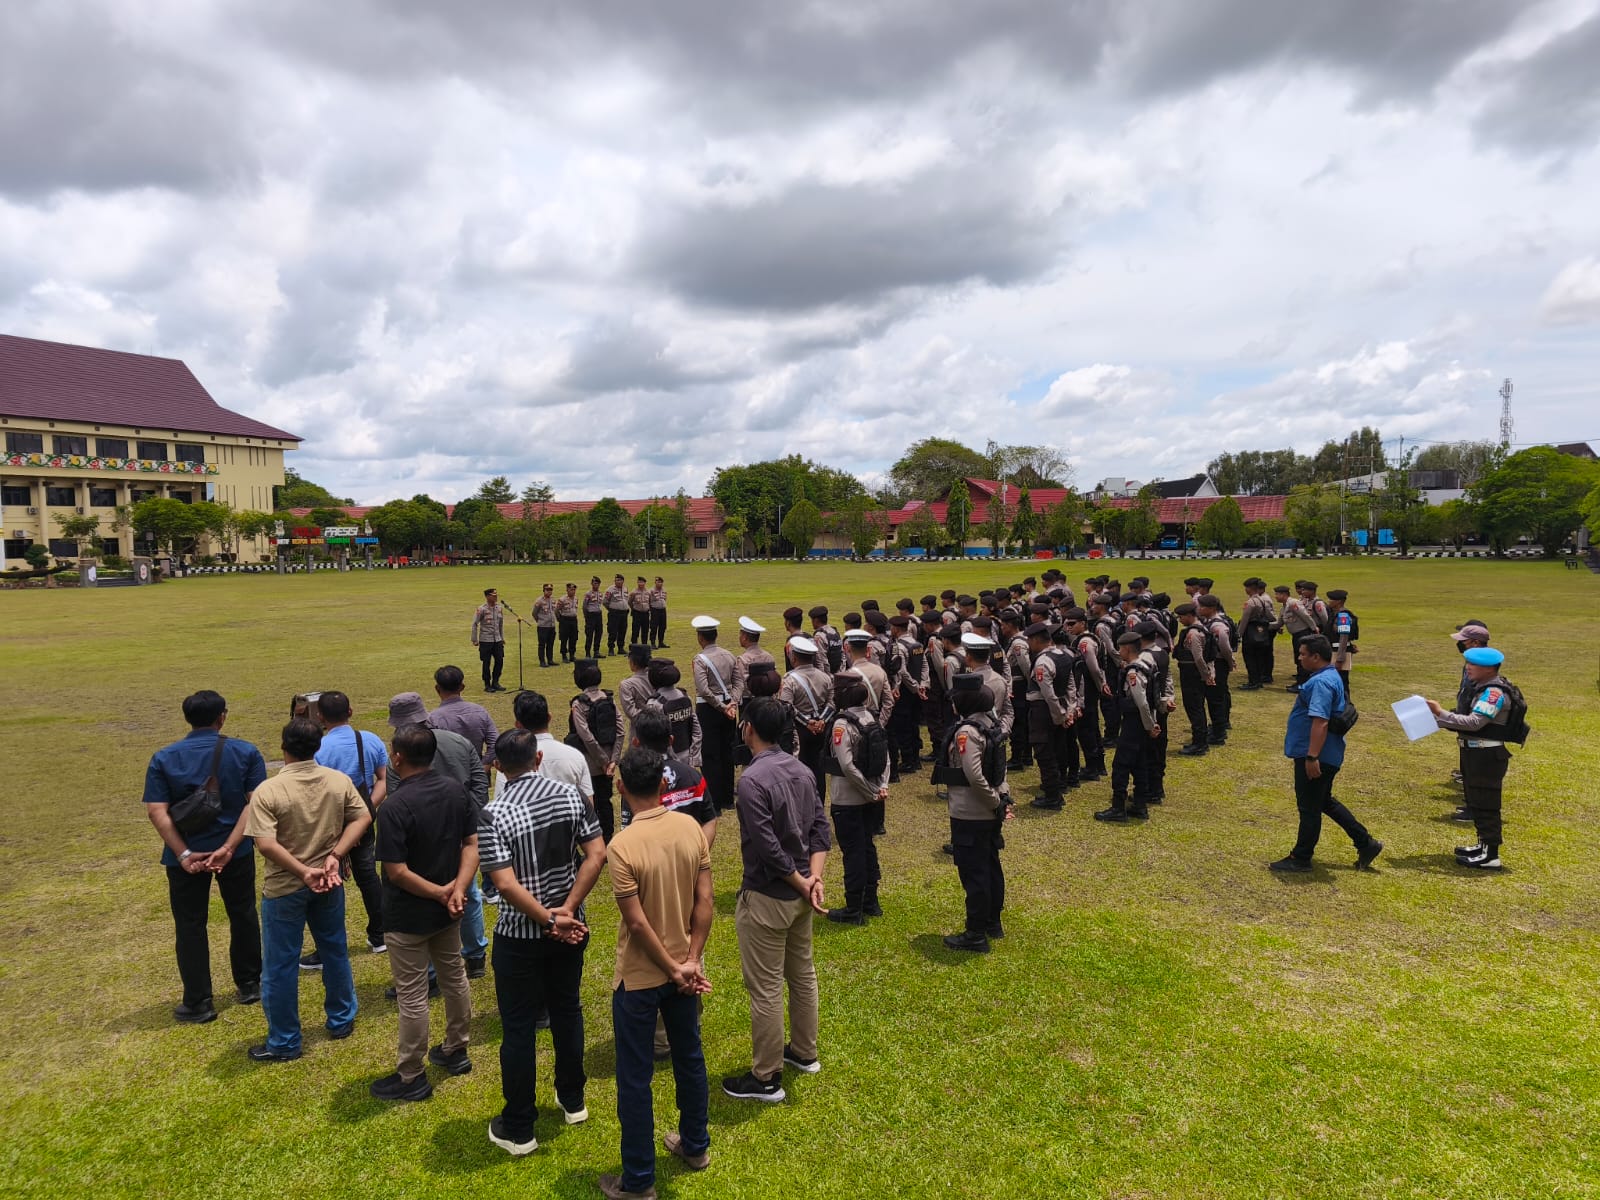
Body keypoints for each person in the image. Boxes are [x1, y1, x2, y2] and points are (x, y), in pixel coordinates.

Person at [479, 729, 606, 1155]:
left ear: (498, 767)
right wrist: (566, 911)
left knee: (518, 1028)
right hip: (570, 928)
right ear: (537, 759)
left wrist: (549, 918)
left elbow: (504, 883)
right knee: (567, 1009)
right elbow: (596, 854)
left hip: (520, 934)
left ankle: (519, 1126)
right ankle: (573, 1099)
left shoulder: (494, 813)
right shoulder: (571, 796)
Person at [601, 748, 714, 1200]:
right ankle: (695, 1145)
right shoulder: (689, 827)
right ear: (665, 785)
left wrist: (671, 967)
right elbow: (703, 902)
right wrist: (690, 960)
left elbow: (636, 923)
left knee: (635, 1077)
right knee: (689, 1057)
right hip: (687, 968)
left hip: (642, 977)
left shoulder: (622, 845)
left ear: (621, 787)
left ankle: (639, 1180)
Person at [723, 697, 831, 1102]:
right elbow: (821, 829)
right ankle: (804, 1051)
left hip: (770, 894)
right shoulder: (801, 770)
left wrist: (805, 882)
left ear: (748, 728)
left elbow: (768, 848)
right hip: (801, 893)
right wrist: (812, 880)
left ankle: (766, 1076)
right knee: (802, 974)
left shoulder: (752, 780)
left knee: (766, 986)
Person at [244, 718, 370, 1061]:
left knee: (280, 965)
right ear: (317, 747)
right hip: (329, 881)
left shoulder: (268, 790)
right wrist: (335, 856)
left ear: (283, 747)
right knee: (335, 950)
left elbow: (266, 844)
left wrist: (303, 871)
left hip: (285, 887)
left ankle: (285, 1041)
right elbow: (362, 818)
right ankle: (341, 1019)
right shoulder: (337, 780)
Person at [142, 690, 267, 1025]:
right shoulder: (244, 751)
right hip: (235, 849)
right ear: (222, 716)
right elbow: (254, 803)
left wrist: (182, 852)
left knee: (190, 925)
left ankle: (198, 1001)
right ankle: (251, 983)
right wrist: (228, 846)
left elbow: (157, 810)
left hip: (185, 854)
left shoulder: (164, 758)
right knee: (242, 914)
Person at [371, 723, 479, 1101]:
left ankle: (411, 1075)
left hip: (410, 916)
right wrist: (457, 890)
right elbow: (472, 845)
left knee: (413, 995)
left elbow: (396, 872)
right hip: (449, 908)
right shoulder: (454, 790)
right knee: (455, 977)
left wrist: (441, 893)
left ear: (397, 758)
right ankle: (456, 1048)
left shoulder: (394, 807)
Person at [385, 692, 490, 982]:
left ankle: (430, 970)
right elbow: (480, 782)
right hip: (462, 829)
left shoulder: (399, 752)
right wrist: (470, 817)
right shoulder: (458, 741)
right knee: (466, 890)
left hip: (421, 838)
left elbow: (397, 796)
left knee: (429, 894)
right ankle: (476, 954)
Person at [1269, 636, 1382, 872]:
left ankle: (1301, 857)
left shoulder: (1321, 683)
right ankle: (1365, 843)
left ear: (1316, 657)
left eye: (1302, 654)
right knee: (1323, 801)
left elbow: (1320, 721)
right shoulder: (1330, 676)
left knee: (1309, 807)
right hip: (1326, 751)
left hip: (1317, 754)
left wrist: (1311, 757)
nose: (1299, 658)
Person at [302, 691, 389, 967]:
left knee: (329, 879)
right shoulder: (370, 740)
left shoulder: (318, 749)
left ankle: (328, 946)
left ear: (320, 716)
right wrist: (366, 812)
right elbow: (383, 780)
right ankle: (380, 933)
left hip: (329, 823)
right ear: (350, 711)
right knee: (368, 876)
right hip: (364, 818)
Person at [1426, 646, 1523, 870]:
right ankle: (1483, 846)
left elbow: (1474, 723)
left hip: (1486, 755)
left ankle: (1491, 856)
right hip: (1475, 752)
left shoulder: (1494, 693)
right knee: (1476, 802)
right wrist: (1436, 720)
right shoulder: (1481, 688)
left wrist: (1440, 713)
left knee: (1487, 803)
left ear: (1489, 668)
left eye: (1473, 664)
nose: (1468, 668)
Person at [938, 675, 1006, 953]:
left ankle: (975, 933)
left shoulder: (967, 732)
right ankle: (992, 922)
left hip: (971, 812)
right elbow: (999, 769)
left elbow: (975, 776)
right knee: (990, 866)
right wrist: (1001, 799)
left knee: (973, 873)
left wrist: (993, 801)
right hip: (988, 811)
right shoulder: (991, 724)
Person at [822, 672, 887, 924]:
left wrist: (868, 790)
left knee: (853, 852)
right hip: (870, 795)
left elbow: (847, 766)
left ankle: (853, 907)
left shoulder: (842, 724)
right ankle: (871, 901)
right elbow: (885, 756)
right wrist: (878, 787)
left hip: (848, 798)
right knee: (868, 847)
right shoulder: (871, 717)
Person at [1094, 633, 1158, 824]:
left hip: (1134, 723)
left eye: (1120, 648)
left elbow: (1142, 702)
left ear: (1127, 649)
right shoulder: (1147, 663)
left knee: (1121, 765)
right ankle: (1139, 804)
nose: (1118, 651)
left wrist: (1150, 726)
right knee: (1139, 764)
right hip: (1139, 723)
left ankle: (1118, 807)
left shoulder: (1133, 672)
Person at [569, 659, 625, 842]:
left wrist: (602, 761)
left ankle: (594, 840)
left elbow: (586, 737)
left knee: (589, 802)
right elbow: (620, 731)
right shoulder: (608, 699)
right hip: (608, 761)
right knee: (605, 800)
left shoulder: (579, 704)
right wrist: (612, 760)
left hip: (589, 762)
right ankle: (608, 837)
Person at [1024, 622, 1076, 811]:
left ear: (1037, 640)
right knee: (1058, 749)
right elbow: (1071, 686)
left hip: (1044, 711)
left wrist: (1059, 716)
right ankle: (1057, 787)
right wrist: (1069, 710)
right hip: (1059, 708)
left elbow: (1048, 694)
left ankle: (1052, 795)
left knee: (1044, 752)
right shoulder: (1063, 655)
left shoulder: (1043, 661)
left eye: (1030, 641)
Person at [690, 615, 738, 812]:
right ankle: (727, 798)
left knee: (710, 755)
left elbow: (703, 690)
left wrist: (720, 706)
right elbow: (739, 682)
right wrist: (731, 703)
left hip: (710, 710)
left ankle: (715, 802)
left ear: (701, 638)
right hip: (730, 708)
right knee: (727, 752)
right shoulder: (730, 655)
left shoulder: (700, 659)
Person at [779, 635, 835, 803]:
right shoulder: (826, 677)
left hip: (800, 730)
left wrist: (806, 722)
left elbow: (786, 706)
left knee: (800, 768)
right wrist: (822, 721)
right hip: (821, 728)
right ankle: (819, 802)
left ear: (794, 657)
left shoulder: (789, 680)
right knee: (819, 769)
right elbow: (832, 703)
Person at [428, 665, 498, 765]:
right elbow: (495, 743)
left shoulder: (433, 718)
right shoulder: (480, 711)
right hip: (477, 769)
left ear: (437, 688)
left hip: (448, 773)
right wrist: (483, 766)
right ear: (462, 687)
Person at [1172, 602, 1213, 756]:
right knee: (1196, 707)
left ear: (1190, 616)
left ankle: (1199, 744)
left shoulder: (1193, 634)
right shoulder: (1199, 629)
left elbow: (1199, 658)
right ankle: (1199, 741)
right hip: (1193, 674)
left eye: (1181, 617)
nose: (1180, 620)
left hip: (1192, 675)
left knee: (1194, 708)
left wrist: (1205, 676)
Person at [1196, 594, 1235, 746]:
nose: (1199, 609)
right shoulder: (1210, 622)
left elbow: (1225, 647)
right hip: (1216, 662)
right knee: (1216, 696)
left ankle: (1219, 733)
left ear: (1211, 608)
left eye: (1202, 607)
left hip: (1218, 662)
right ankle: (1219, 726)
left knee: (1215, 698)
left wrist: (1229, 661)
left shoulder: (1218, 626)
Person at [472, 587, 508, 692]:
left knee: (499, 661)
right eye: (493, 595)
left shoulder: (499, 608)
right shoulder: (482, 609)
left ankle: (496, 682)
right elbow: (474, 624)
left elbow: (500, 624)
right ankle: (487, 684)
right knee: (486, 663)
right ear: (487, 597)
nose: (496, 596)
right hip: (485, 640)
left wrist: (502, 638)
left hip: (497, 640)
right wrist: (474, 639)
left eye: (496, 594)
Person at [1325, 589, 1358, 697]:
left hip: (1338, 652)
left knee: (1341, 681)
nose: (1329, 601)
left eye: (1331, 599)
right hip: (1333, 650)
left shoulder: (1343, 616)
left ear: (1338, 602)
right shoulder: (1335, 614)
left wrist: (1340, 659)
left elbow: (1344, 637)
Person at [604, 574, 631, 657]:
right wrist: (612, 609)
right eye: (616, 580)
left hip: (624, 613)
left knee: (622, 630)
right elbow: (605, 601)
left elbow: (626, 600)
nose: (618, 582)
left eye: (620, 580)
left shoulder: (625, 589)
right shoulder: (610, 589)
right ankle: (611, 649)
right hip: (614, 613)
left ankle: (620, 648)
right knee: (613, 631)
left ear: (623, 581)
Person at [533, 582, 558, 670]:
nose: (549, 591)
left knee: (550, 644)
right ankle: (542, 661)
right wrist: (539, 621)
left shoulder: (553, 600)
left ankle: (550, 659)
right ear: (544, 590)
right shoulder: (539, 601)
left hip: (551, 625)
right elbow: (534, 613)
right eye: (547, 590)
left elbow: (555, 611)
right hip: (543, 626)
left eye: (551, 590)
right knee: (542, 645)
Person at [556, 582, 581, 664]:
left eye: (574, 590)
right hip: (565, 620)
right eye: (571, 589)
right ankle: (564, 655)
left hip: (573, 620)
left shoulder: (576, 599)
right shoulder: (562, 599)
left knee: (574, 638)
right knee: (564, 638)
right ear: (567, 590)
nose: (573, 591)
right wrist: (560, 619)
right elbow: (556, 610)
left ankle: (572, 655)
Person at [583, 576, 606, 659]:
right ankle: (588, 653)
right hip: (591, 615)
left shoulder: (600, 594)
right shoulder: (588, 594)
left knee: (598, 633)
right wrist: (586, 617)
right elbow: (584, 606)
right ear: (591, 584)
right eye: (594, 583)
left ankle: (596, 651)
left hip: (598, 615)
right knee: (589, 635)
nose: (596, 585)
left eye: (597, 583)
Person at [629, 576, 652, 648]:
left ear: (645, 583)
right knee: (635, 630)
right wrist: (633, 609)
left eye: (642, 582)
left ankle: (644, 646)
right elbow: (630, 602)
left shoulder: (648, 592)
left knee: (645, 630)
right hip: (637, 613)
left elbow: (650, 602)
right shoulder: (634, 592)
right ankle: (634, 646)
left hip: (645, 613)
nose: (640, 583)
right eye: (639, 582)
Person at [649, 577, 668, 648]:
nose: (659, 583)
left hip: (662, 610)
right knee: (654, 627)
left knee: (663, 626)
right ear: (655, 582)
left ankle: (661, 642)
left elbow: (665, 599)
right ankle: (653, 643)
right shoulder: (651, 591)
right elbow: (649, 601)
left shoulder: (664, 590)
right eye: (658, 582)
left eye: (661, 582)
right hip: (654, 610)